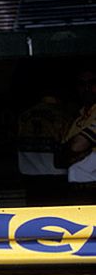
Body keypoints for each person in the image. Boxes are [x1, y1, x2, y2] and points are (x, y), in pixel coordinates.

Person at [57, 66, 96, 203]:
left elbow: (76, 146)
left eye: (92, 83)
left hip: (92, 188)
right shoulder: (78, 117)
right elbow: (59, 158)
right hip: (76, 189)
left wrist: (73, 151)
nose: (87, 88)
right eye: (82, 84)